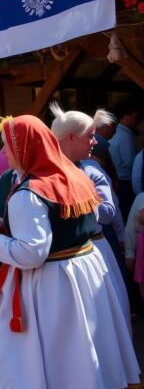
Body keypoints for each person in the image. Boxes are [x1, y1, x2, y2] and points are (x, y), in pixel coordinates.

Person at [0, 115, 141, 388]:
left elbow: (31, 253)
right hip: (86, 273)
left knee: (58, 355)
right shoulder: (77, 176)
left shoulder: (29, 192)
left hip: (52, 285)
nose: (4, 154)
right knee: (85, 349)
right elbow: (66, 223)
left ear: (24, 148)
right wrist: (10, 223)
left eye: (8, 147)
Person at [49, 103, 132, 332]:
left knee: (101, 322)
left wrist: (75, 200)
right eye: (90, 136)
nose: (95, 142)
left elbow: (107, 212)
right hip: (53, 263)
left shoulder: (92, 172)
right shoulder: (41, 175)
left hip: (93, 251)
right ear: (71, 138)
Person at [109, 101, 141, 219]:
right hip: (125, 183)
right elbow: (130, 162)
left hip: (121, 181)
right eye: (136, 116)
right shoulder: (124, 135)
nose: (138, 120)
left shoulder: (120, 133)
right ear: (126, 116)